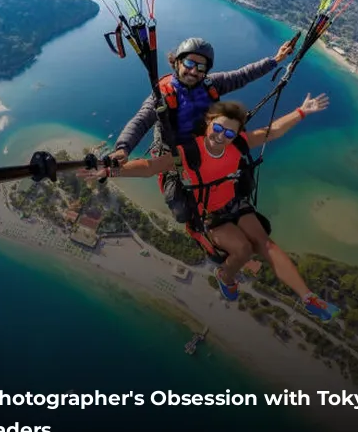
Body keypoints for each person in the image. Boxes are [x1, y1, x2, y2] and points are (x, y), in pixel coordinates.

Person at [93, 94, 340, 322]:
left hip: (234, 202)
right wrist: (112, 171)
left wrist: (302, 111)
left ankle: (308, 298)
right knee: (243, 249)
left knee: (265, 244)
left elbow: (273, 131)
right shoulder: (189, 152)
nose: (221, 136)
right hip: (208, 214)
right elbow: (149, 167)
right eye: (218, 128)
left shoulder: (238, 144)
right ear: (208, 123)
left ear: (236, 135)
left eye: (229, 134)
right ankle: (225, 277)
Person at [110, 36, 296, 222]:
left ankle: (228, 207)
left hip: (208, 147)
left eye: (201, 67)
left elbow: (243, 75)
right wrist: (123, 148)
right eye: (189, 63)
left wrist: (276, 60)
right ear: (177, 62)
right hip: (176, 156)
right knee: (182, 212)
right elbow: (141, 120)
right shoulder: (162, 94)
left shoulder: (210, 84)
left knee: (245, 185)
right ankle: (203, 221)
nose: (193, 71)